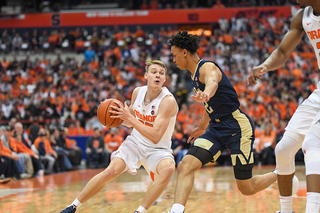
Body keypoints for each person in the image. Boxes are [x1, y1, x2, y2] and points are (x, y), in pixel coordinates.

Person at [167, 31, 280, 213]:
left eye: (174, 54)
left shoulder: (207, 67)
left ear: (185, 52)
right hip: (216, 128)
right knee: (185, 165)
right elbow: (210, 106)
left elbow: (213, 82)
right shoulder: (193, 75)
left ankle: (280, 175)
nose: (173, 59)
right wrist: (200, 127)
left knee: (246, 188)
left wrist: (207, 93)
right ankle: (177, 210)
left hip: (237, 127)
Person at [60, 58, 178, 213]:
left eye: (161, 73)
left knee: (168, 169)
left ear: (164, 79)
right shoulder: (138, 92)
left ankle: (139, 211)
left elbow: (155, 136)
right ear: (146, 76)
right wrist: (116, 116)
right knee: (111, 171)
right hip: (135, 143)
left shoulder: (168, 101)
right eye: (154, 72)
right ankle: (73, 206)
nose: (158, 75)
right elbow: (129, 122)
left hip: (158, 149)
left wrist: (130, 119)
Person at [247, 2, 320, 212]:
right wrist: (265, 65)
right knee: (283, 149)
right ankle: (286, 210)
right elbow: (281, 51)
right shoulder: (301, 16)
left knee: (313, 142)